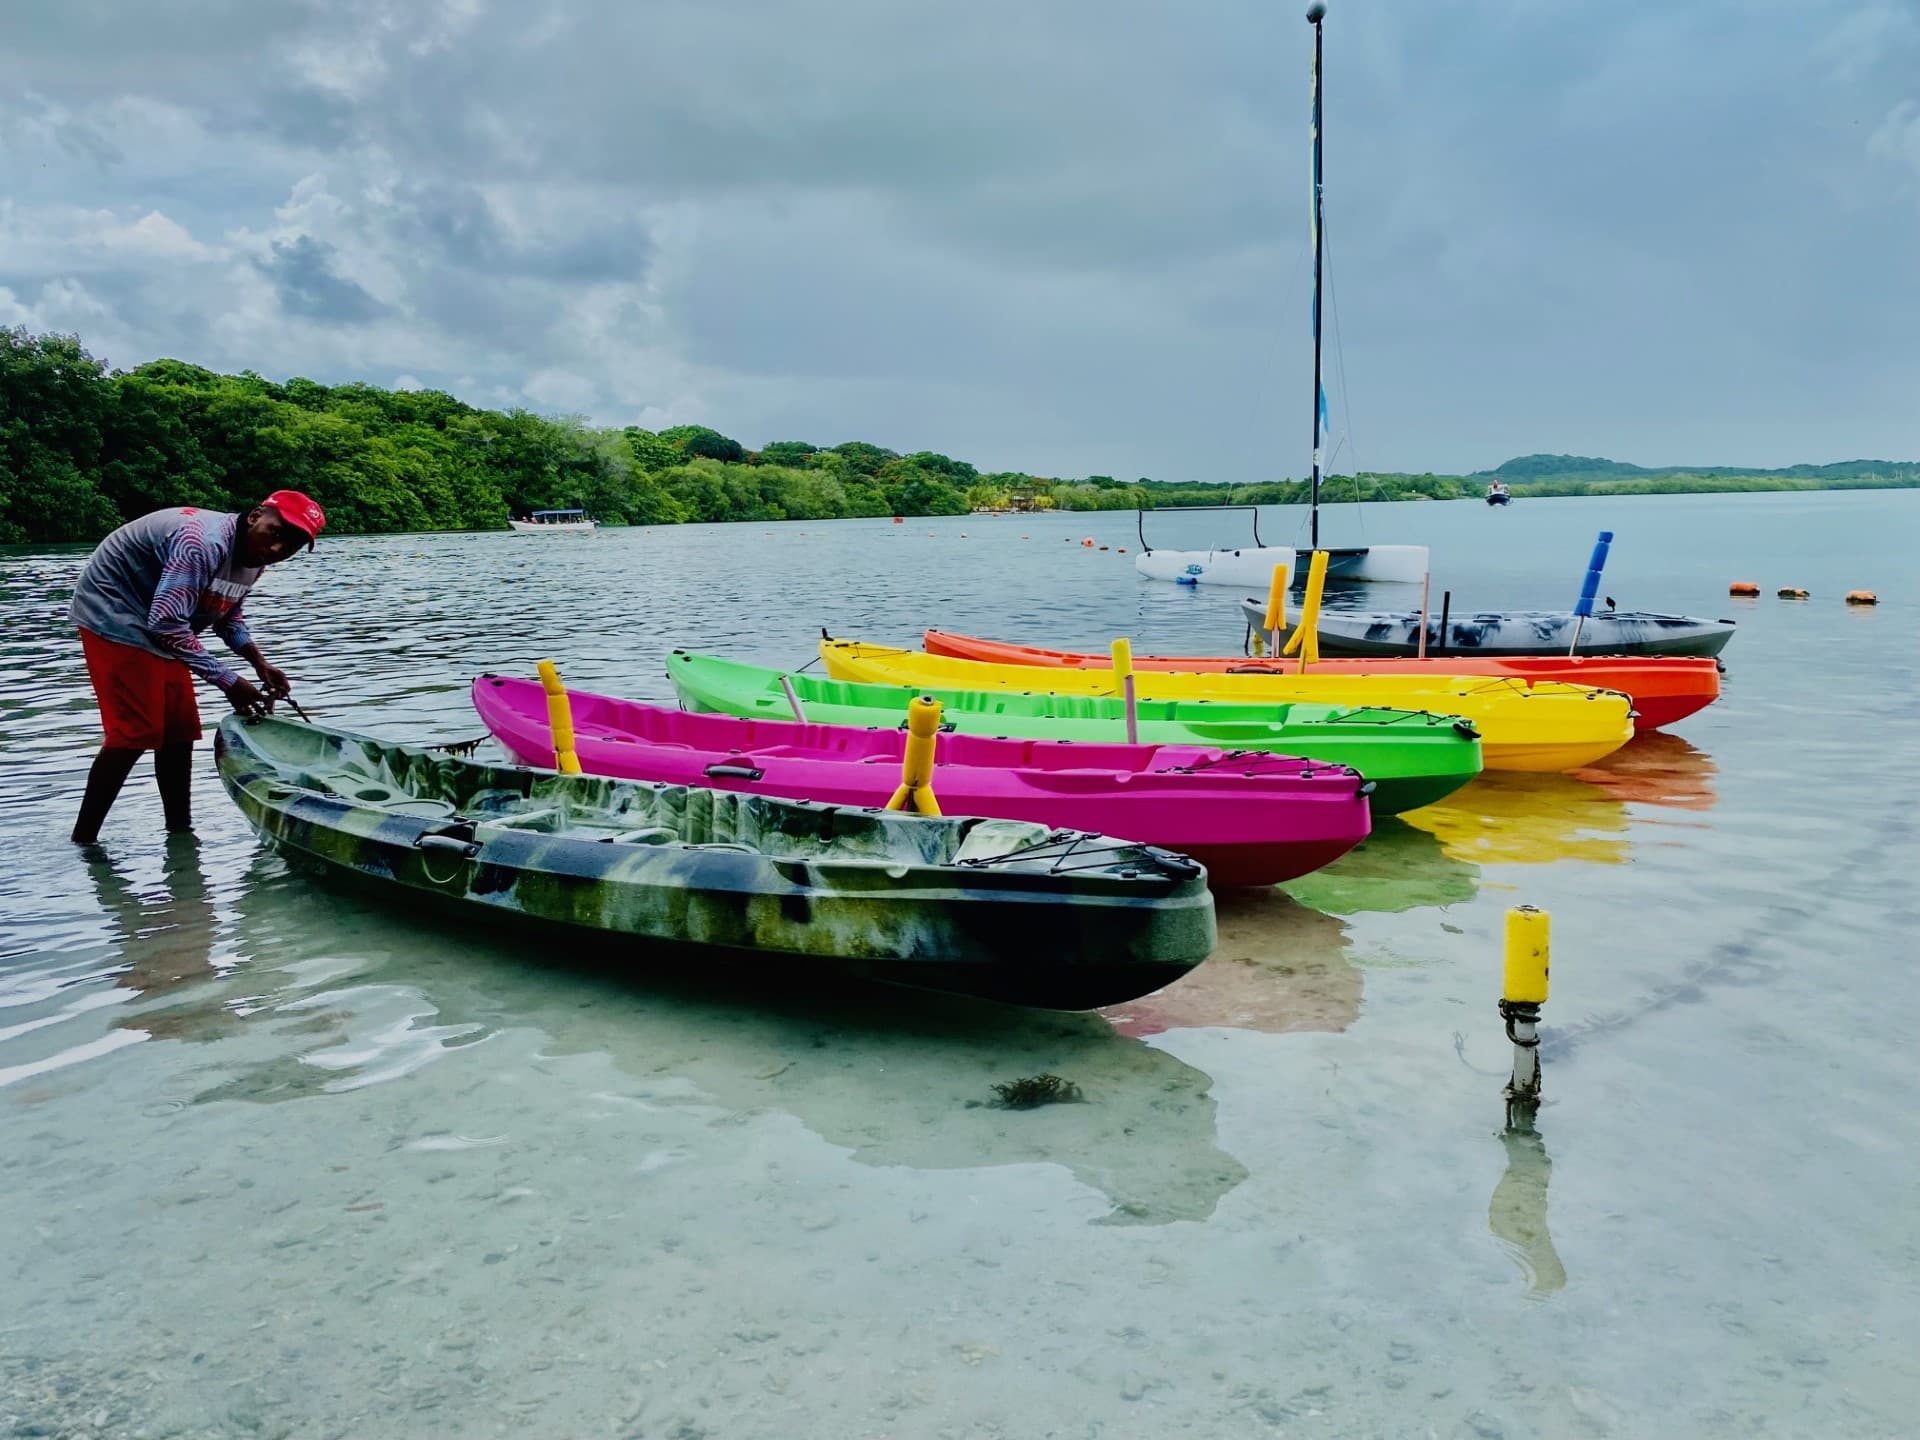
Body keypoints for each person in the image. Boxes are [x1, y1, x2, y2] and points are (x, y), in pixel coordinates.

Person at [67, 491, 327, 845]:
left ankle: (180, 833)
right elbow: (167, 625)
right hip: (115, 610)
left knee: (179, 730)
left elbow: (226, 613)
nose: (279, 549)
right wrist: (229, 681)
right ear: (254, 516)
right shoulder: (200, 543)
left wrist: (258, 663)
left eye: (294, 545)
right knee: (136, 731)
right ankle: (84, 841)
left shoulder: (255, 558)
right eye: (277, 534)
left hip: (164, 619)